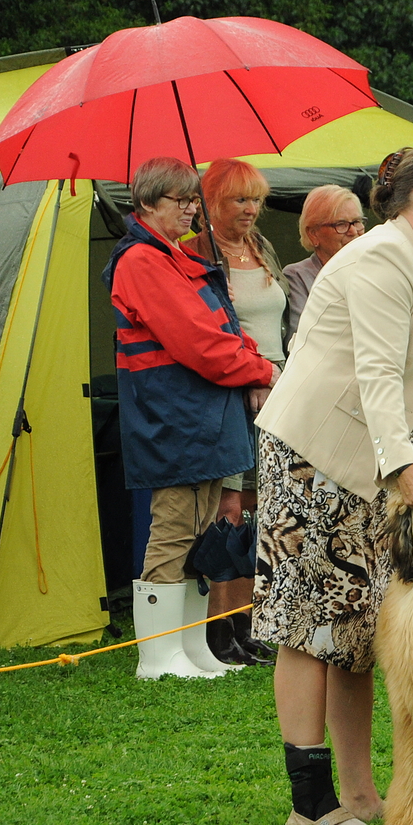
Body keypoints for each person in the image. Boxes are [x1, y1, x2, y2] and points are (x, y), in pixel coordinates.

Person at [253, 142, 413, 825]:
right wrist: (403, 468)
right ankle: (309, 802)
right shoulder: (379, 259)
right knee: (307, 626)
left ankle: (358, 796)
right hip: (312, 457)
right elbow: (380, 374)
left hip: (373, 467)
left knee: (358, 632)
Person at [104, 156, 275, 679]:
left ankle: (192, 650)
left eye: (191, 199)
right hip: (173, 416)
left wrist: (250, 362)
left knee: (203, 532)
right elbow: (198, 342)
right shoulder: (140, 261)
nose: (190, 209)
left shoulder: (174, 257)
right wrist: (261, 369)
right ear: (148, 204)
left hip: (201, 413)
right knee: (176, 528)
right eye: (179, 201)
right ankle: (157, 659)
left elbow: (223, 329)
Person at [200, 157, 287, 665]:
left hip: (277, 383)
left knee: (260, 506)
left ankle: (250, 621)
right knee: (228, 507)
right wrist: (254, 374)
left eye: (256, 198)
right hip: (235, 387)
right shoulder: (198, 255)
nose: (251, 208)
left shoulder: (263, 248)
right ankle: (217, 626)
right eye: (239, 199)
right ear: (212, 201)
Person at [284, 184, 366, 344]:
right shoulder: (298, 276)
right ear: (313, 234)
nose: (354, 231)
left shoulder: (375, 272)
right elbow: (302, 336)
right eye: (341, 224)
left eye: (357, 222)